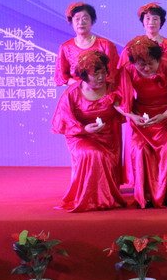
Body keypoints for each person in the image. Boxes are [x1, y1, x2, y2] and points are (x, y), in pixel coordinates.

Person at [116, 36, 167, 208]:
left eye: (151, 63)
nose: (146, 68)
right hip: (142, 118)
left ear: (158, 59)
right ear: (134, 63)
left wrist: (163, 116)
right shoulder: (128, 69)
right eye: (141, 65)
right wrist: (132, 116)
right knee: (140, 150)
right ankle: (146, 196)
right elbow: (117, 101)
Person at [52, 50, 125, 212]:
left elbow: (124, 109)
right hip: (81, 137)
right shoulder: (72, 93)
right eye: (95, 74)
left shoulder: (112, 88)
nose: (101, 77)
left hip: (108, 136)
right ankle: (91, 199)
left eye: (103, 72)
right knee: (93, 154)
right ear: (84, 76)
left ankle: (104, 197)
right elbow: (64, 121)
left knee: (104, 156)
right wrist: (84, 129)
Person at [54, 2, 119, 86]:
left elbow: (113, 74)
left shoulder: (106, 45)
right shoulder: (66, 47)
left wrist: (95, 86)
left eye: (85, 18)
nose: (81, 22)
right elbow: (62, 77)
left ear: (92, 21)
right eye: (77, 19)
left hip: (103, 91)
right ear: (71, 22)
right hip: (77, 91)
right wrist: (83, 85)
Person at [118, 2, 167, 74]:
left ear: (161, 22)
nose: (151, 22)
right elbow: (125, 71)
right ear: (143, 21)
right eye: (148, 18)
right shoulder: (132, 45)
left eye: (155, 19)